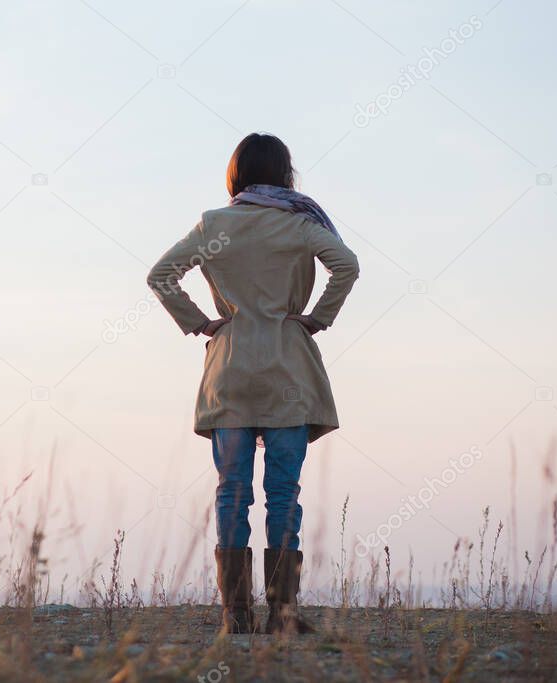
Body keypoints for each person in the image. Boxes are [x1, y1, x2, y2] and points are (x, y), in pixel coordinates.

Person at [146, 133, 359, 634]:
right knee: (284, 492)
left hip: (231, 367)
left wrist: (202, 322)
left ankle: (234, 617)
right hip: (287, 363)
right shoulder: (300, 222)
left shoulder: (214, 225)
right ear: (285, 174)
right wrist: (316, 317)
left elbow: (161, 276)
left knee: (232, 490)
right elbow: (346, 265)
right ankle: (282, 617)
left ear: (235, 174)